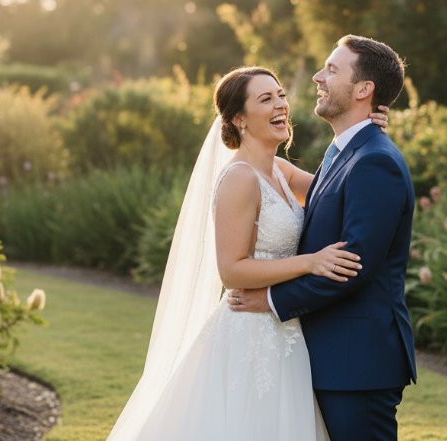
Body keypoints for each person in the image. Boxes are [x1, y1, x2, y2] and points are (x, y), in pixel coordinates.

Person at [106, 65, 390, 441]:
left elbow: (342, 187)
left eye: (281, 96)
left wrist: (368, 136)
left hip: (284, 328)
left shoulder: (280, 170)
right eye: (266, 99)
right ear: (239, 119)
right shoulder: (239, 178)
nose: (281, 105)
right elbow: (232, 271)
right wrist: (311, 261)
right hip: (249, 331)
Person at [229, 35, 417, 441]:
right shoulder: (343, 152)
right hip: (326, 354)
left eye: (332, 70)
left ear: (364, 89)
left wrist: (272, 300)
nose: (318, 76)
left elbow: (353, 269)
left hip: (358, 362)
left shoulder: (375, 161)